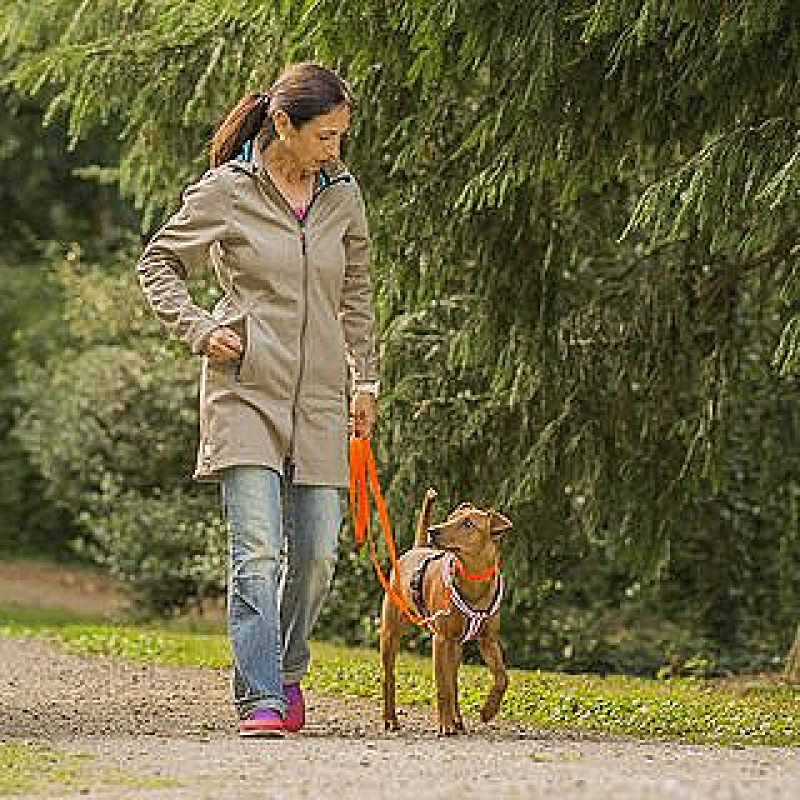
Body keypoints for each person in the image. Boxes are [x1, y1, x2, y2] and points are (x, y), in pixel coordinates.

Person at [137, 62, 379, 737]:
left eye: (341, 137)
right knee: (257, 551)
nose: (336, 150)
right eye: (326, 137)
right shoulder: (227, 192)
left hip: (323, 400)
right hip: (245, 394)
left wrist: (367, 379)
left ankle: (286, 667)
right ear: (283, 126)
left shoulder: (342, 194)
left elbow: (355, 292)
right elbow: (156, 263)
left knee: (318, 554)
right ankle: (262, 697)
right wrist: (201, 328)